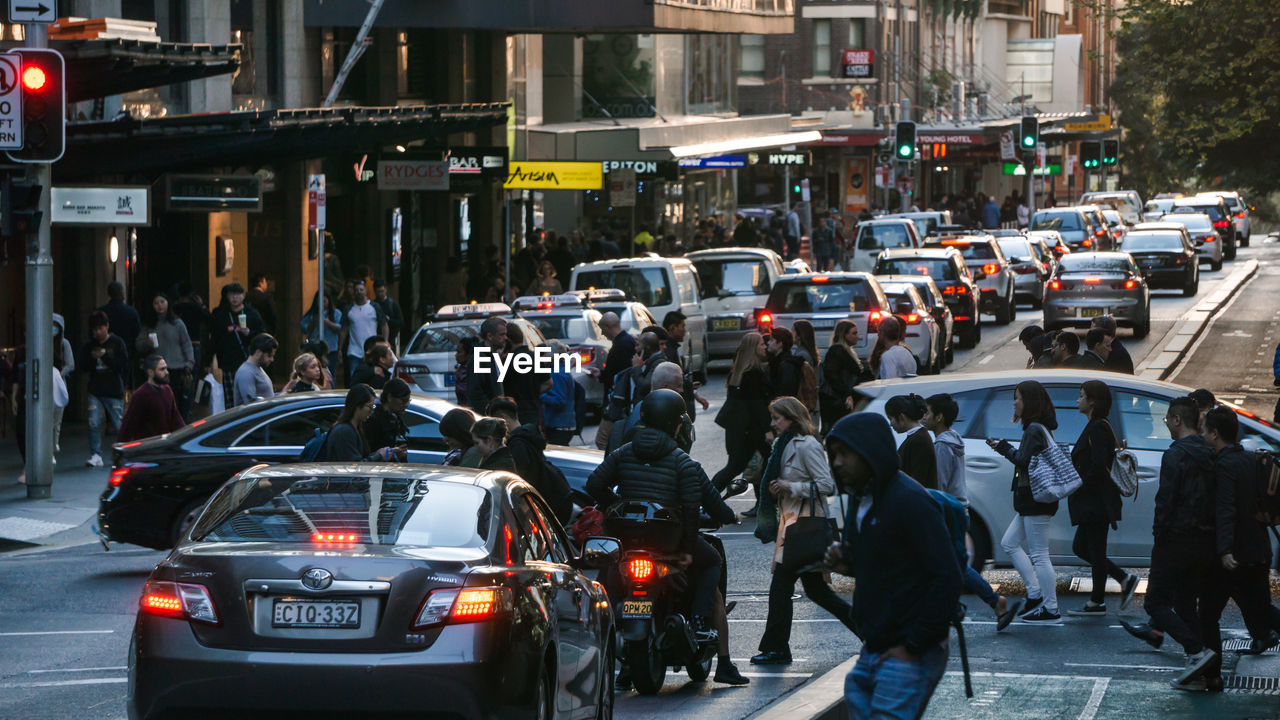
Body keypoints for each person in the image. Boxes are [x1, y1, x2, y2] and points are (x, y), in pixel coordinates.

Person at [588, 389, 748, 686]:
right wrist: (697, 542)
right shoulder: (683, 463)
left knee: (607, 578)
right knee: (711, 561)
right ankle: (704, 628)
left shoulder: (623, 453)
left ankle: (617, 657)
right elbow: (694, 510)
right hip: (669, 546)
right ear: (678, 424)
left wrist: (614, 505)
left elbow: (594, 484)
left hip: (628, 546)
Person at [823, 412, 960, 719]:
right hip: (876, 647)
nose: (837, 463)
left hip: (907, 651)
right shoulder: (862, 499)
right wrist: (848, 563)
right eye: (833, 455)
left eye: (846, 453)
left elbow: (947, 576)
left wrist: (913, 645)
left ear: (871, 451)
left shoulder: (909, 500)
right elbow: (890, 566)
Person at [1119, 397, 1220, 689]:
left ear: (1177, 419)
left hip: (1175, 538)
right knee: (1187, 605)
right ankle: (1201, 670)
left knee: (1155, 602)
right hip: (1204, 539)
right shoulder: (1209, 451)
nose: (1166, 425)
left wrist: (1159, 534)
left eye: (1167, 420)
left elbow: (1167, 500)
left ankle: (1196, 650)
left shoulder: (1175, 454)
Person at [751, 397, 854, 665]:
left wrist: (790, 487)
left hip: (805, 526)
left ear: (792, 419)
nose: (773, 423)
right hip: (791, 525)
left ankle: (776, 648)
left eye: (777, 418)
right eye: (772, 418)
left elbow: (826, 485)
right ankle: (867, 630)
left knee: (781, 586)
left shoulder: (807, 445)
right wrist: (778, 491)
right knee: (817, 591)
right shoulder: (780, 445)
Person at [924, 393, 1020, 626]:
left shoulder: (942, 446)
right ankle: (957, 607)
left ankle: (992, 602)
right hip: (960, 509)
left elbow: (941, 485)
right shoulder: (954, 439)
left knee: (953, 566)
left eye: (926, 412)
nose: (923, 416)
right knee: (950, 565)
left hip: (949, 511)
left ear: (939, 417)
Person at [1204, 407, 1280, 657]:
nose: (1202, 435)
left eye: (1205, 431)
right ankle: (1210, 664)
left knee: (1210, 611)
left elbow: (1226, 509)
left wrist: (1224, 550)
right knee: (1260, 608)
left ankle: (1208, 666)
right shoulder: (1249, 459)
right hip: (1258, 549)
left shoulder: (1225, 465)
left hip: (1238, 554)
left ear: (1215, 434)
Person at [987, 380, 1062, 624]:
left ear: (1028, 401)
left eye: (1017, 398)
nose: (1014, 402)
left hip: (1035, 500)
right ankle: (1034, 593)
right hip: (1032, 501)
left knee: (1040, 554)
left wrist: (1002, 447)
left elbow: (1024, 462)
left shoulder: (1033, 430)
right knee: (1009, 543)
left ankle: (1050, 607)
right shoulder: (1036, 428)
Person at [1067, 380, 1139, 616]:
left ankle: (1098, 600)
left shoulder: (1098, 428)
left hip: (1096, 501)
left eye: (1081, 396)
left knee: (1093, 549)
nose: (1078, 400)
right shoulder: (1096, 425)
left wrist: (1078, 483)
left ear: (1092, 402)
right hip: (1093, 500)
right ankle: (1121, 579)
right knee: (1082, 547)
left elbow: (1099, 466)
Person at [712, 333, 772, 498]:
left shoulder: (740, 372)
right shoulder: (752, 373)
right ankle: (706, 498)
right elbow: (756, 404)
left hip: (739, 429)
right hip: (749, 430)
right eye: (761, 344)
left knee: (736, 466)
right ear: (753, 348)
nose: (765, 346)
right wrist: (768, 429)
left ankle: (707, 498)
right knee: (743, 465)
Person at [80, 311, 129, 467]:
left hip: (113, 390)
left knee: (118, 423)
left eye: (100, 328)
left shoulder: (117, 343)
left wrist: (105, 357)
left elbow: (122, 365)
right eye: (95, 330)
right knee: (93, 422)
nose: (98, 332)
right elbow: (83, 366)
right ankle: (95, 454)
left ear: (107, 326)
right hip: (96, 389)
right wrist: (93, 359)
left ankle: (125, 452)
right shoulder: (89, 346)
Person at [137, 290, 196, 421]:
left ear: (168, 303)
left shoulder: (177, 323)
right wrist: (147, 344)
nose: (160, 306)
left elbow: (186, 344)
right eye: (156, 303)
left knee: (177, 403)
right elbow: (138, 345)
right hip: (156, 370)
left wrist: (189, 363)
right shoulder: (149, 325)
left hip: (176, 368)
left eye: (162, 302)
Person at [609, 362, 690, 454]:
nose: (682, 390)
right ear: (665, 387)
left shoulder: (630, 418)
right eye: (679, 385)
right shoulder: (676, 420)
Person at [318, 384, 406, 462]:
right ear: (357, 405)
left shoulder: (356, 428)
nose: (371, 411)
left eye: (373, 407)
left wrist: (380, 454)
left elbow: (359, 459)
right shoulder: (344, 431)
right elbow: (354, 468)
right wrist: (379, 456)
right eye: (369, 406)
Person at [210, 282, 264, 406]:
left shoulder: (252, 314)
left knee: (247, 395)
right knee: (230, 397)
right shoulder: (222, 315)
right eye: (232, 295)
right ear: (227, 296)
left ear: (243, 296)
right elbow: (214, 338)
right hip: (227, 360)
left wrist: (249, 333)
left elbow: (262, 334)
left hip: (247, 359)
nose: (235, 298)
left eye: (238, 295)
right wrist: (208, 360)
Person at [118, 354, 185, 442]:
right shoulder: (141, 394)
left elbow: (176, 419)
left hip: (165, 445)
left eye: (166, 368)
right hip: (148, 448)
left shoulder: (167, 391)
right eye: (162, 369)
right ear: (150, 372)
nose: (166, 372)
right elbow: (129, 424)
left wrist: (186, 436)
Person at [818, 321, 871, 434]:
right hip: (839, 401)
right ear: (844, 335)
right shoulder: (837, 351)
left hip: (843, 398)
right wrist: (846, 393)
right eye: (854, 333)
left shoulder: (847, 351)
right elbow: (832, 375)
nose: (857, 336)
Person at [596, 312, 637, 449]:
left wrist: (604, 376)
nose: (602, 334)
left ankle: (611, 467)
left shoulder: (621, 346)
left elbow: (620, 374)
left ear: (608, 326)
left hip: (618, 401)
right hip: (621, 400)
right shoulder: (627, 341)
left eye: (603, 330)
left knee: (603, 440)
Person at [662, 310, 709, 418]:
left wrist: (695, 394)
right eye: (682, 326)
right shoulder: (669, 351)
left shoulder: (673, 349)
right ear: (672, 328)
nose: (684, 330)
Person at [340, 281, 387, 386]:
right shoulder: (349, 309)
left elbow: (384, 325)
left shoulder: (374, 306)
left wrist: (385, 342)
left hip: (373, 350)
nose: (359, 292)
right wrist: (340, 349)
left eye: (361, 290)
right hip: (354, 351)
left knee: (374, 378)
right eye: (356, 290)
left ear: (366, 291)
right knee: (355, 379)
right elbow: (343, 330)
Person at [886, 394, 937, 490]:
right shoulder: (917, 437)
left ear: (901, 417)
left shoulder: (919, 440)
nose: (890, 424)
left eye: (891, 419)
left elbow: (916, 481)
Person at [501, 325, 546, 427]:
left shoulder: (507, 361)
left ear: (509, 340)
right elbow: (548, 383)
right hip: (533, 410)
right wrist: (532, 391)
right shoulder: (535, 357)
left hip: (513, 412)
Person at [539, 340, 577, 445]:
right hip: (563, 425)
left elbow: (559, 401)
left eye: (544, 354)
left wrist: (540, 395)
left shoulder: (556, 374)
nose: (542, 357)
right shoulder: (562, 370)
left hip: (558, 426)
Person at [467, 317, 506, 415]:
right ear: (489, 336)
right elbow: (476, 394)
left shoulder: (493, 356)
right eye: (502, 334)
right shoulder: (480, 358)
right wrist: (492, 414)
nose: (506, 338)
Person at [98, 281, 141, 367]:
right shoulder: (131, 312)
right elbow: (137, 334)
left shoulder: (101, 312)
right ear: (122, 292)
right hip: (127, 353)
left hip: (106, 354)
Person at [364, 379, 411, 455]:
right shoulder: (373, 420)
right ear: (389, 397)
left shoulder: (396, 418)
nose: (406, 404)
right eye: (403, 400)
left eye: (408, 400)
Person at [173, 283, 212, 373]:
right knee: (192, 375)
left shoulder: (174, 308)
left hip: (177, 344)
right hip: (194, 342)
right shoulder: (196, 307)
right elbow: (209, 318)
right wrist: (202, 305)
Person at [51, 314, 75, 454]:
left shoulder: (63, 343)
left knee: (57, 420)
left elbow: (70, 364)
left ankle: (54, 444)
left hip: (58, 382)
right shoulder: (43, 341)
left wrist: (59, 374)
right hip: (45, 383)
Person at [232, 333, 277, 407]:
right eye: (269, 355)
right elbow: (251, 404)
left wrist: (281, 395)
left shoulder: (257, 368)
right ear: (258, 352)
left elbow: (267, 397)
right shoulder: (246, 372)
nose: (272, 359)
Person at [765, 327, 805, 399]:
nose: (768, 343)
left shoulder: (786, 365)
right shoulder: (778, 362)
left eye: (771, 340)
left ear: (780, 343)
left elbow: (785, 393)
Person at [373, 281, 404, 351]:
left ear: (385, 290)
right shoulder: (373, 305)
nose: (380, 294)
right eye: (378, 292)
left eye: (382, 291)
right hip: (377, 337)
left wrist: (389, 320)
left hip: (391, 338)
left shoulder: (392, 304)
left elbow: (401, 322)